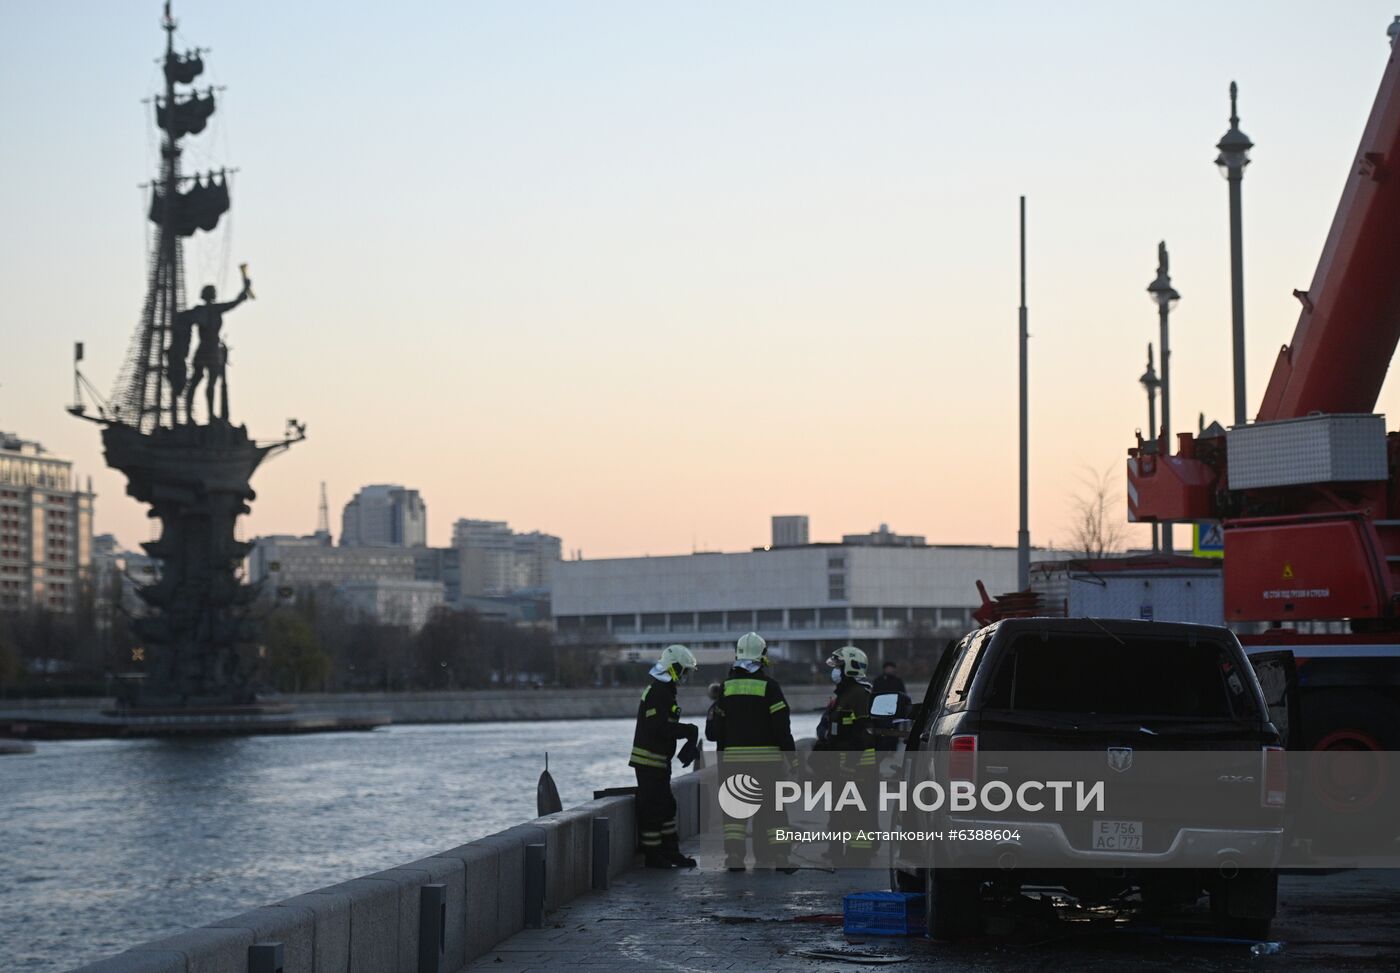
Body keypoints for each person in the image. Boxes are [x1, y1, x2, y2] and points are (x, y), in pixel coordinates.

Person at [709, 631, 797, 871]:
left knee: (735, 813)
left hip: (733, 763)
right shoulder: (770, 687)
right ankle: (780, 856)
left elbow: (714, 732)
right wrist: (794, 761)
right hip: (768, 764)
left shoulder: (725, 689)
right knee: (773, 811)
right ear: (763, 657)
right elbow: (782, 729)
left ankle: (735, 857)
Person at [629, 644, 701, 869]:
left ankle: (670, 851)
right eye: (684, 671)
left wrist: (686, 732)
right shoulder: (659, 691)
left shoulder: (664, 690)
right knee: (653, 809)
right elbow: (658, 728)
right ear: (674, 668)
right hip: (649, 761)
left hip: (659, 761)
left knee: (667, 806)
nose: (684, 677)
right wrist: (687, 730)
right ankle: (653, 856)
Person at [816, 645, 876, 864]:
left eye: (838, 667)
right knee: (839, 809)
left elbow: (865, 733)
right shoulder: (844, 695)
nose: (835, 672)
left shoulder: (860, 695)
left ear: (850, 668)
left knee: (858, 811)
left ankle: (859, 853)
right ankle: (837, 850)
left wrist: (851, 763)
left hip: (857, 765)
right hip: (841, 764)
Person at [183, 280, 251, 422]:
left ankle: (203, 415)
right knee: (204, 382)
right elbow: (235, 302)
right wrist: (244, 290)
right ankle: (199, 415)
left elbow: (234, 302)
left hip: (210, 349)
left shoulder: (207, 310)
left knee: (201, 382)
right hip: (209, 349)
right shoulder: (209, 310)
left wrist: (244, 290)